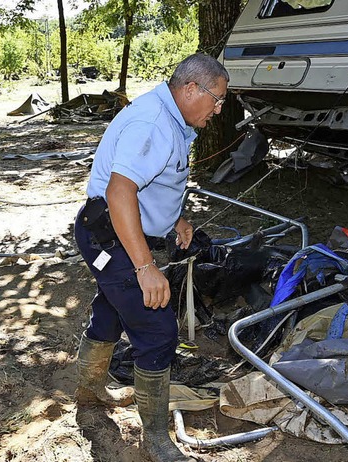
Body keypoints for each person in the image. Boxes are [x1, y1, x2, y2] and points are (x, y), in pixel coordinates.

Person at [73, 53, 229, 462]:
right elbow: (120, 192)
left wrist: (173, 217)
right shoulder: (154, 124)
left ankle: (88, 393)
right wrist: (146, 268)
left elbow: (154, 179)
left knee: (111, 308)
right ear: (191, 88)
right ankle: (156, 440)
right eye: (217, 99)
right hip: (111, 237)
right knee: (158, 329)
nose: (218, 109)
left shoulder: (170, 115)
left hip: (116, 231)